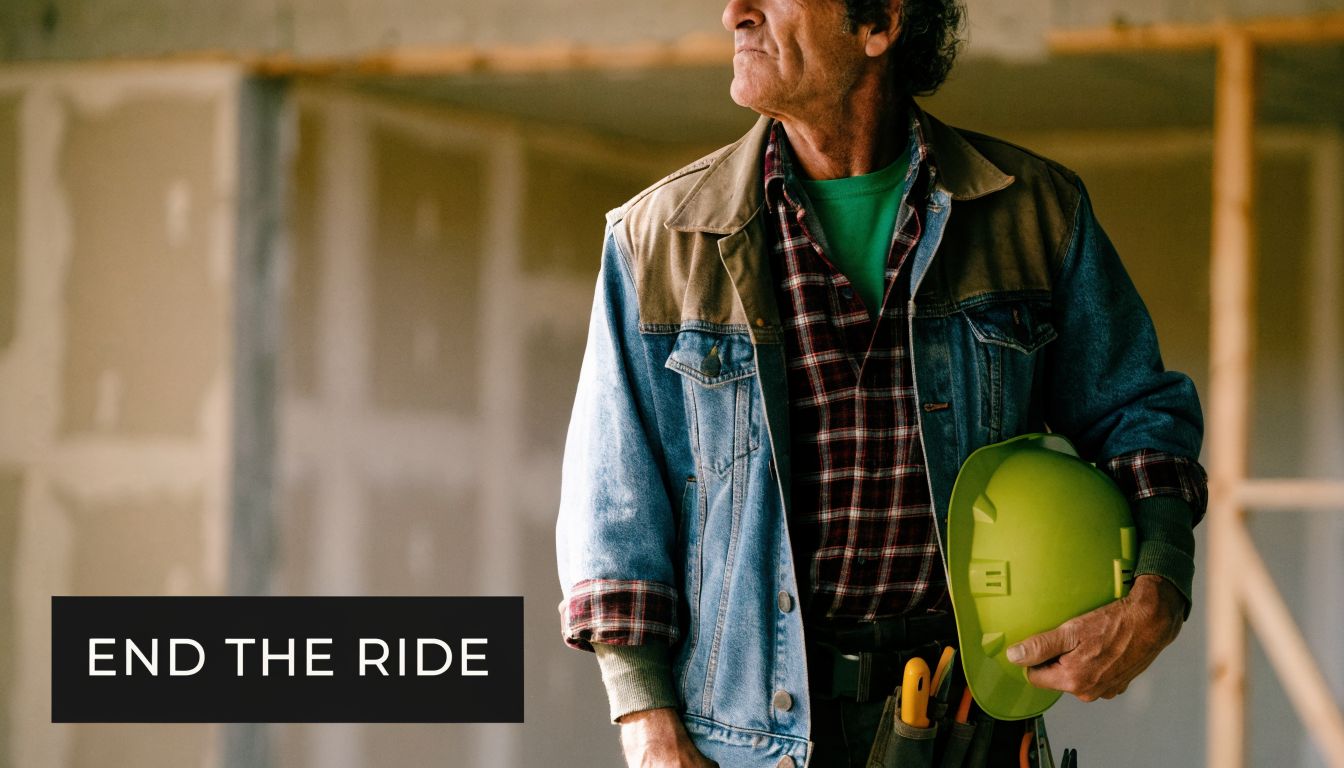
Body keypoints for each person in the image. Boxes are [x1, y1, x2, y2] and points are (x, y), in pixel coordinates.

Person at [556, 0, 1208, 765]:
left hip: (969, 731)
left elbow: (1140, 417)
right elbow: (614, 508)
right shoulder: (658, 240)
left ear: (881, 23)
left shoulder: (1033, 214)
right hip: (747, 743)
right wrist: (649, 729)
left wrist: (1159, 586)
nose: (735, 11)